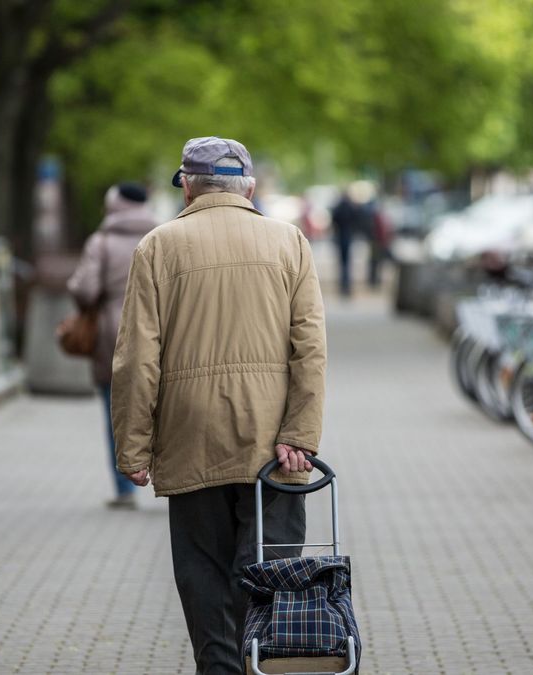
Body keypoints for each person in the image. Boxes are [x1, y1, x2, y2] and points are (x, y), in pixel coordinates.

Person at [112, 136, 327, 674]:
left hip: (190, 438)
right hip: (274, 449)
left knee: (204, 575)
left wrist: (133, 448)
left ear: (187, 185)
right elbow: (311, 349)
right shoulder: (290, 242)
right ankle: (261, 665)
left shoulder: (158, 247)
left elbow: (137, 358)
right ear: (249, 187)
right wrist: (300, 433)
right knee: (268, 574)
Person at [67, 182, 158, 510]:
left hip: (112, 333)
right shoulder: (163, 236)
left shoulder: (101, 242)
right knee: (165, 408)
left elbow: (86, 290)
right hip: (159, 332)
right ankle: (173, 482)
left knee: (115, 410)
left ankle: (124, 488)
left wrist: (75, 286)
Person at [329, 180, 376, 298]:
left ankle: (343, 285)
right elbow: (358, 219)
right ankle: (346, 286)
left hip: (340, 237)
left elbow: (334, 220)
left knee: (342, 263)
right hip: (347, 236)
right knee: (347, 263)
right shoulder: (351, 207)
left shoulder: (338, 207)